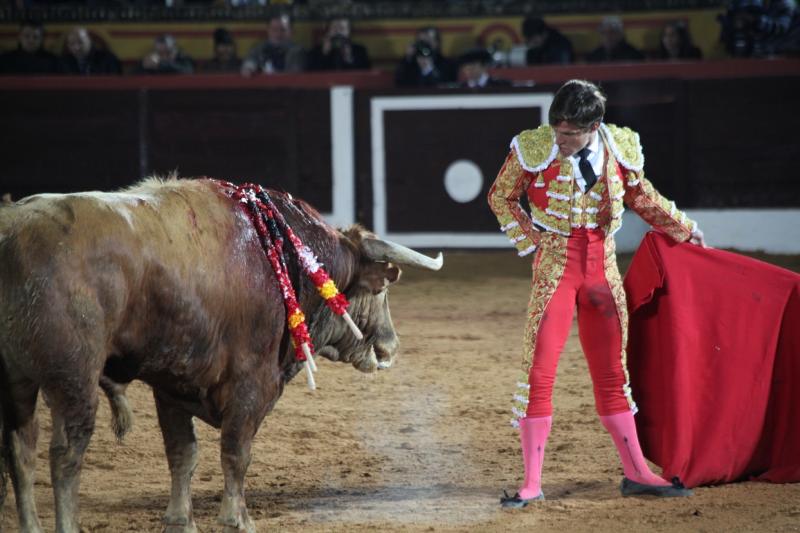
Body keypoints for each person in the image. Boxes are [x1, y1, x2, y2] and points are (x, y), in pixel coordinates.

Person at [488, 79, 705, 508]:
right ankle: (532, 482)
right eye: (558, 131)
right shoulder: (534, 147)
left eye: (571, 134)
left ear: (594, 126)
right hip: (555, 270)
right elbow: (501, 196)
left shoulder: (619, 147)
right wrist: (534, 240)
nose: (562, 141)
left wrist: (684, 229)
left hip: (602, 273)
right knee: (540, 374)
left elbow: (642, 197)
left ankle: (637, 471)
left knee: (612, 375)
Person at [240, 13, 306, 76]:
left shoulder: (298, 51)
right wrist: (248, 68)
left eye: (283, 30)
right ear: (268, 30)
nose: (278, 34)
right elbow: (250, 61)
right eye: (274, 30)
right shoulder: (259, 48)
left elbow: (295, 73)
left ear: (291, 31)